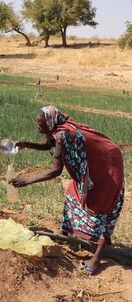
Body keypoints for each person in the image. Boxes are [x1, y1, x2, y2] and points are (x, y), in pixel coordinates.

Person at [10, 106, 124, 275]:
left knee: (104, 206)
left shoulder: (63, 134)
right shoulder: (59, 130)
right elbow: (49, 145)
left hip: (107, 165)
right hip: (95, 163)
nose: (38, 127)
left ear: (50, 123)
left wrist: (26, 181)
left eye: (41, 124)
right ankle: (66, 236)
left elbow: (55, 171)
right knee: (72, 194)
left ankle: (98, 256)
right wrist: (26, 145)